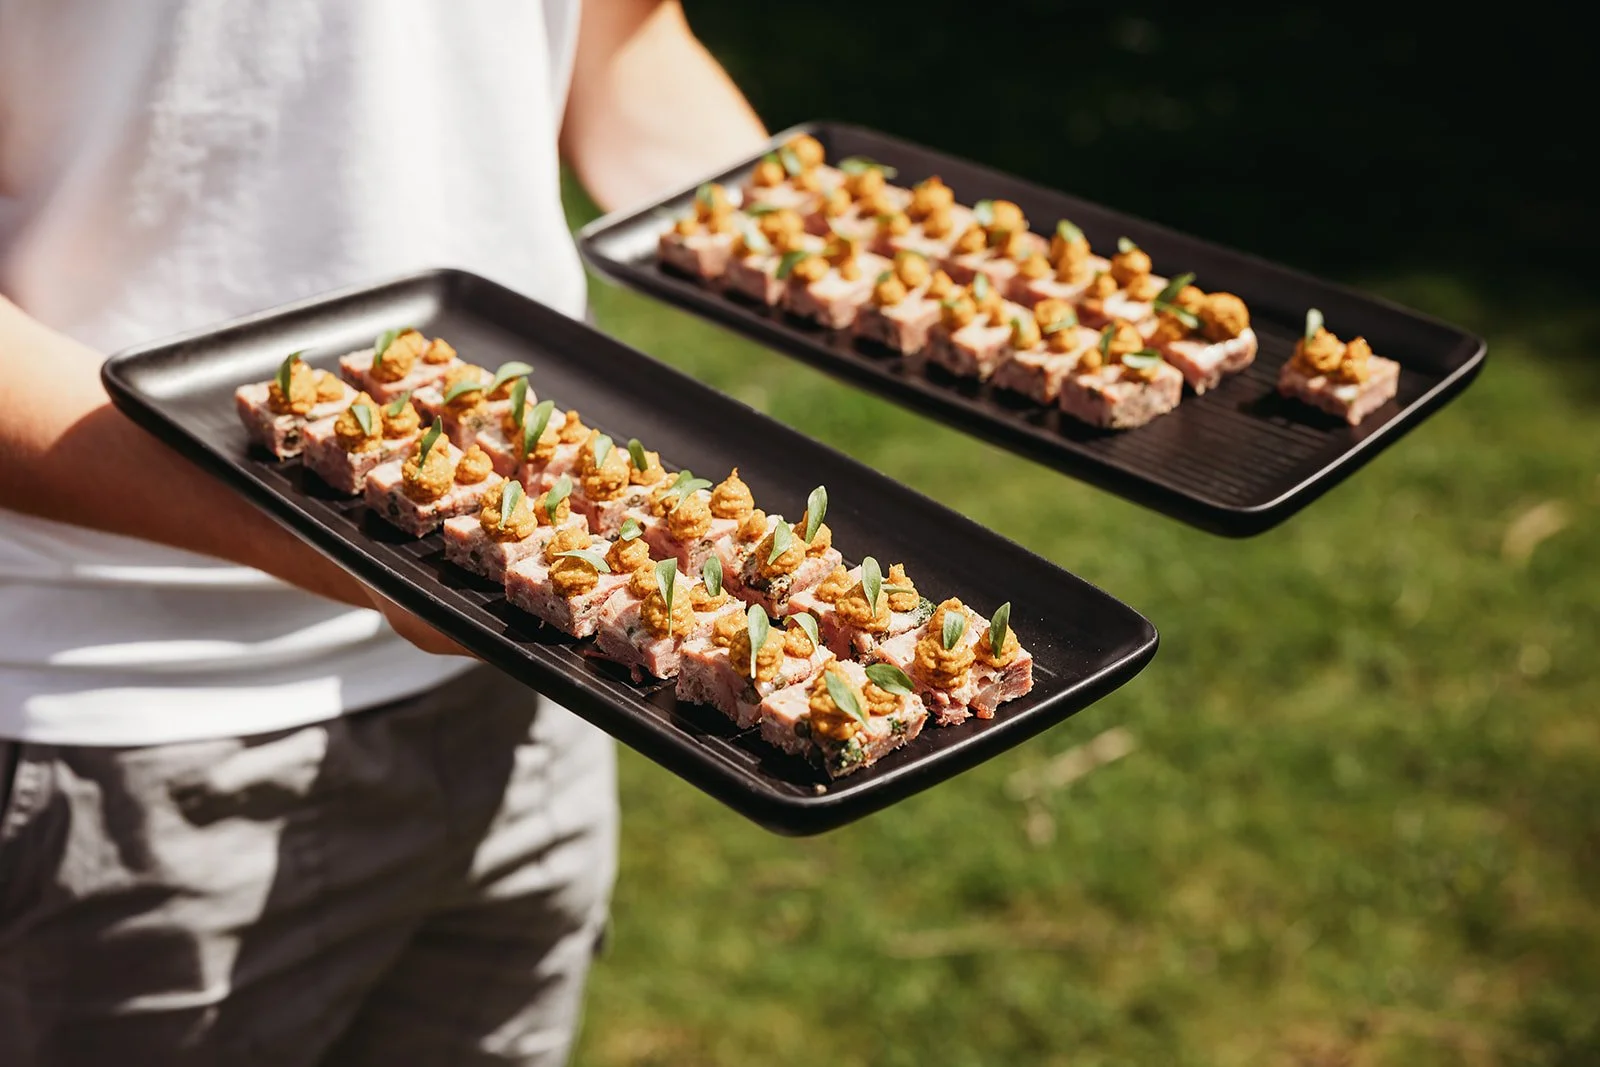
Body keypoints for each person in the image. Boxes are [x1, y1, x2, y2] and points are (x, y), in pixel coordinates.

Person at [0, 1, 768, 1063]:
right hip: (129, 722)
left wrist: (849, 265)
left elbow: (621, 48)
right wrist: (365, 546)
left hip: (534, 694)